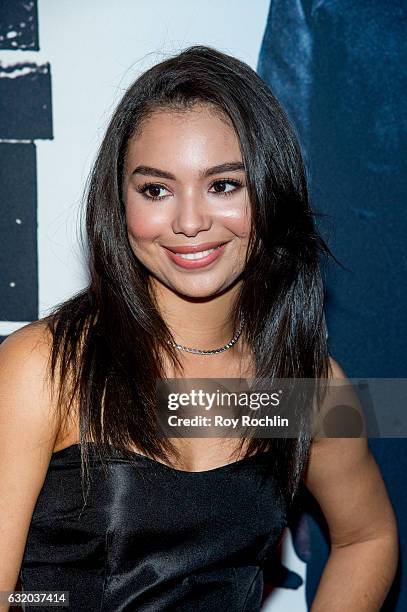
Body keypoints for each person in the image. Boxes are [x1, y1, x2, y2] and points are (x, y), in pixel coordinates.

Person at [0, 45, 398, 612]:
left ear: (270, 190)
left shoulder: (297, 386)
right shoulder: (46, 368)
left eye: (223, 185)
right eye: (156, 189)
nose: (190, 222)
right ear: (119, 201)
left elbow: (369, 538)